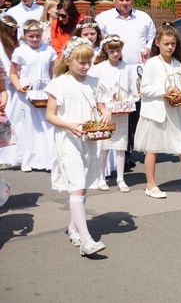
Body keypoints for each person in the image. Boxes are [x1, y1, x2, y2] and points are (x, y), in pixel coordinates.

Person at [45, 37, 108, 257]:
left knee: (82, 186)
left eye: (89, 62)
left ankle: (73, 228)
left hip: (88, 139)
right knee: (77, 185)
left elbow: (101, 106)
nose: (86, 66)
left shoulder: (93, 82)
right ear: (69, 60)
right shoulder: (59, 83)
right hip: (67, 139)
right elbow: (50, 115)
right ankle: (87, 240)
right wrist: (68, 125)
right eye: (81, 62)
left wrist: (106, 112)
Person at [134, 23, 181, 199]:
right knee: (153, 149)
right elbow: (145, 89)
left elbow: (177, 87)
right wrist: (164, 91)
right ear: (157, 43)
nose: (170, 47)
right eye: (166, 44)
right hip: (155, 112)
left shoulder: (177, 64)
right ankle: (150, 185)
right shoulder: (152, 63)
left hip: (173, 111)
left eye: (173, 44)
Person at [96, 0, 156, 169]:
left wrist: (147, 48)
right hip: (113, 69)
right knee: (113, 109)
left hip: (136, 70)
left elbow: (151, 37)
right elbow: (98, 42)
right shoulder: (103, 18)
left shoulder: (143, 18)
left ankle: (127, 151)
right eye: (121, 0)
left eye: (128, 0)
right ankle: (111, 154)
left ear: (133, 0)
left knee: (133, 110)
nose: (124, 3)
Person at [89, 35, 139, 193]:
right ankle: (101, 176)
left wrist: (130, 100)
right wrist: (103, 107)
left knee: (120, 146)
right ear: (106, 50)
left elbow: (132, 89)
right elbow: (95, 90)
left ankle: (120, 178)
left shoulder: (126, 67)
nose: (115, 54)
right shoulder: (99, 68)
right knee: (103, 145)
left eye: (118, 50)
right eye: (112, 51)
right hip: (104, 110)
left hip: (121, 109)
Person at [9, 20, 56, 172]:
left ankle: (49, 158)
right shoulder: (20, 51)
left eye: (37, 36)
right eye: (31, 36)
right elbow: (13, 73)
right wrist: (19, 86)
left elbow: (52, 72)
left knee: (46, 126)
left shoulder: (48, 50)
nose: (35, 39)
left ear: (42, 34)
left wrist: (54, 88)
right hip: (26, 93)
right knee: (28, 127)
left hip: (44, 93)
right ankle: (27, 159)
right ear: (25, 35)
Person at [0, 15, 19, 167]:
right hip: (5, 84)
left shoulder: (14, 44)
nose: (14, 33)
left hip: (11, 86)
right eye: (11, 31)